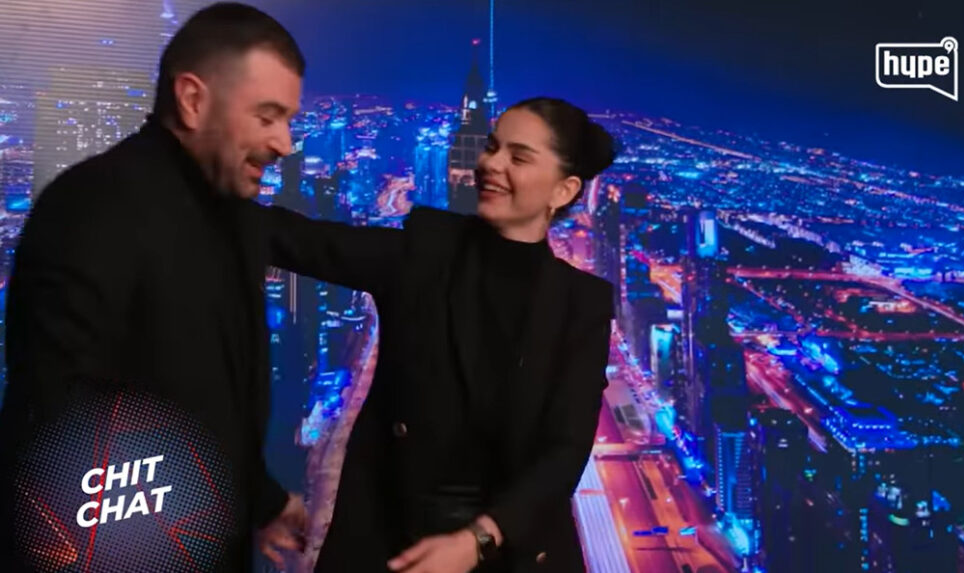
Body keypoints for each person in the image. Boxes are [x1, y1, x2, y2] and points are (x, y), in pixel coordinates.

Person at [0, 3, 306, 570]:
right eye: (267, 117)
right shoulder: (90, 208)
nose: (285, 143)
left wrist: (260, 503)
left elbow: (210, 405)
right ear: (193, 100)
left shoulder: (234, 217)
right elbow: (56, 434)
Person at [263, 96, 618, 573]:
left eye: (518, 157)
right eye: (492, 147)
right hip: (394, 543)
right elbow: (297, 241)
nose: (490, 164)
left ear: (564, 190)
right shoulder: (424, 256)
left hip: (506, 553)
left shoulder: (581, 305)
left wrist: (477, 540)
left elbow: (565, 452)